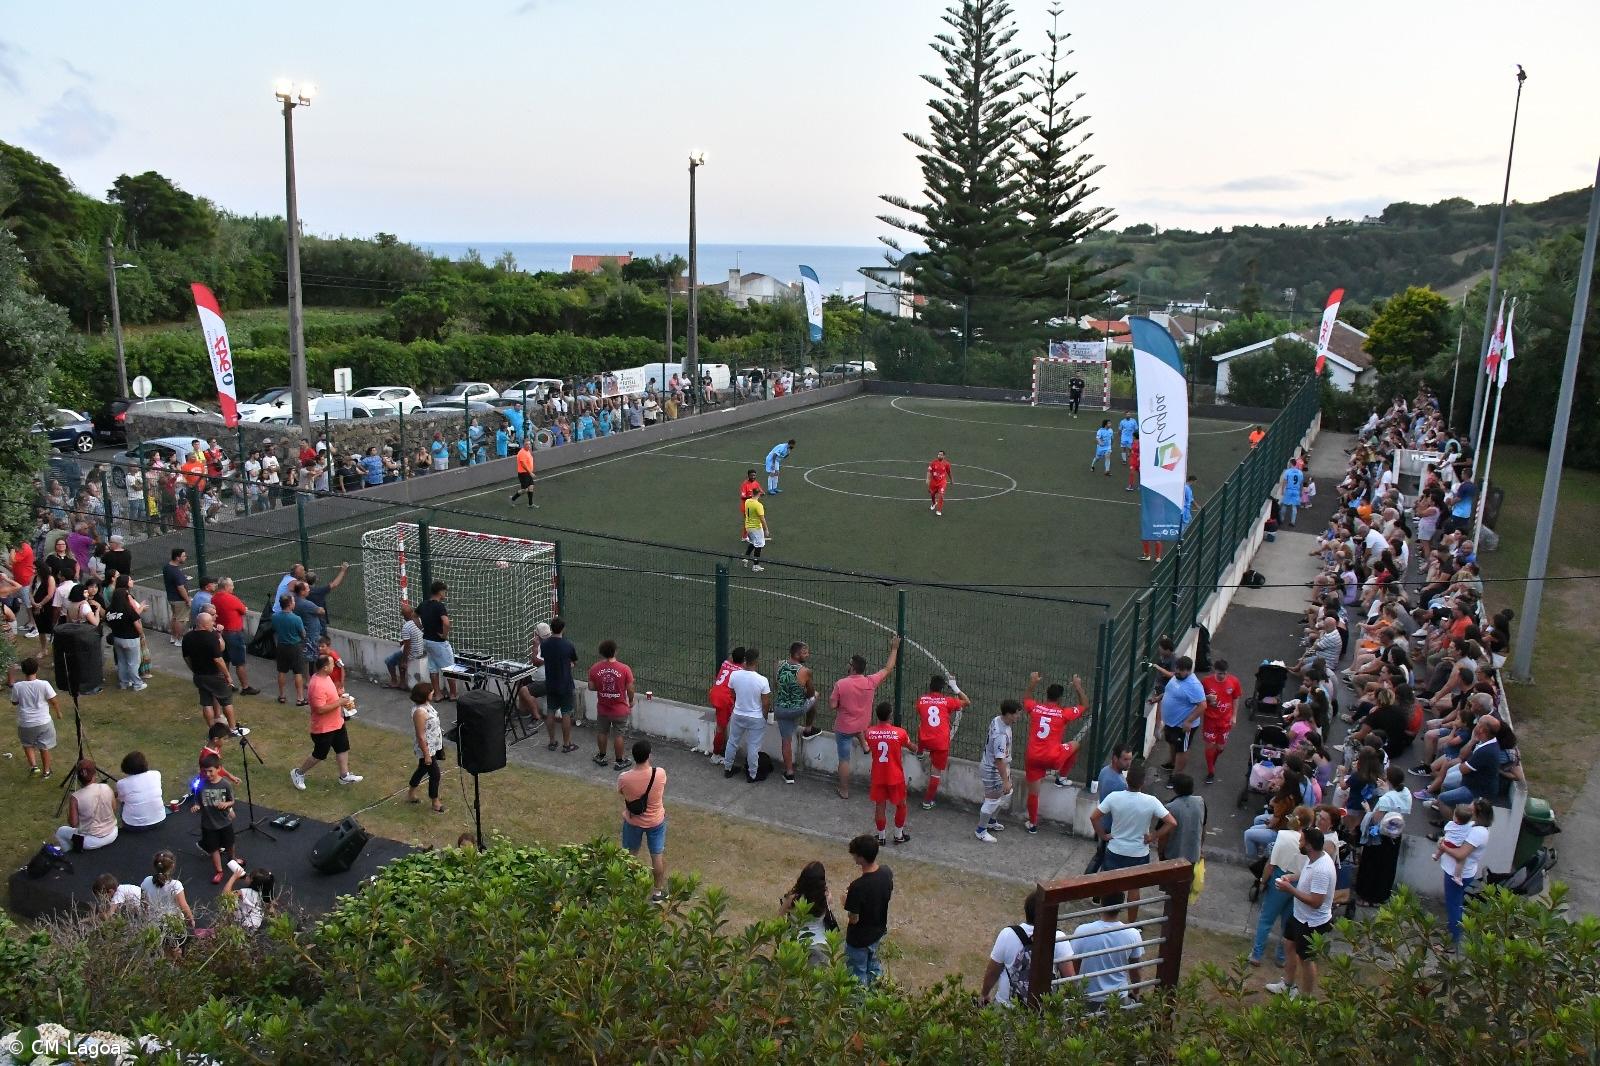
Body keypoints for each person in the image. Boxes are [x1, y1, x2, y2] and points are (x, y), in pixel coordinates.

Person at [1090, 763, 1175, 920]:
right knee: (1134, 890)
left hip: (1115, 849)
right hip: (1139, 853)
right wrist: (1153, 836)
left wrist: (1103, 835)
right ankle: (1132, 923)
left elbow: (1094, 817)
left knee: (1109, 886)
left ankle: (1107, 920)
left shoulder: (1114, 797)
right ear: (1143, 782)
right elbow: (1171, 822)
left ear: (1126, 780)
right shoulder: (1151, 801)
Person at [1267, 825, 1337, 998]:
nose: (1299, 842)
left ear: (1309, 846)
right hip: (1299, 915)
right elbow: (1304, 874)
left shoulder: (1322, 869)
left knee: (1306, 959)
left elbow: (1316, 902)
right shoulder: (1313, 857)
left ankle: (1305, 997)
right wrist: (1292, 877)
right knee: (1289, 946)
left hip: (1312, 922)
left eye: (1301, 840)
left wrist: (1289, 889)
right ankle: (1287, 984)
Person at [830, 637, 900, 800]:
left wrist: (841, 702)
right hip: (862, 724)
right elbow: (888, 668)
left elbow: (832, 706)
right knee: (859, 729)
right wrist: (894, 649)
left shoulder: (841, 684)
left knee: (844, 759)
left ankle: (844, 790)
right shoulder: (870, 681)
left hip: (845, 728)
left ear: (852, 667)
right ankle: (864, 744)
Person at [979, 889, 1074, 1006]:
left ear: (1026, 911)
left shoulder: (1008, 934)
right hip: (1042, 1009)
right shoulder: (1059, 938)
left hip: (1008, 1006)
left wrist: (985, 993)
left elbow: (992, 972)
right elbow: (1070, 980)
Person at [1020, 672, 1089, 832]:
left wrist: (1033, 682)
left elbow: (1026, 700)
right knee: (1075, 745)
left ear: (1047, 696)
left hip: (1033, 757)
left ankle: (1033, 825)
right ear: (1060, 699)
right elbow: (1085, 705)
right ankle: (1062, 777)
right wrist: (1078, 686)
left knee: (1034, 793)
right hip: (1053, 757)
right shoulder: (1063, 713)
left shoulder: (1036, 708)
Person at [289, 654, 363, 790]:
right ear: (325, 667)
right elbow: (320, 709)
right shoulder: (317, 685)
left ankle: (344, 775)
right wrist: (339, 702)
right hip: (324, 728)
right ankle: (298, 773)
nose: (333, 666)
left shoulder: (326, 678)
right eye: (331, 664)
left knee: (342, 747)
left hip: (337, 723)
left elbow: (329, 698)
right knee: (319, 755)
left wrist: (339, 695)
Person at [1069, 893, 1145, 1005]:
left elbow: (1074, 968)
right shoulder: (1133, 934)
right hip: (1118, 998)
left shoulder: (1082, 931)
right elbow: (1135, 971)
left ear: (1101, 902)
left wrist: (1074, 994)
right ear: (1122, 905)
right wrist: (1135, 994)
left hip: (1087, 997)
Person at [1437, 796, 1493, 948]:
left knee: (1453, 905)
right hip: (1460, 870)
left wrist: (1443, 847)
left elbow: (1461, 854)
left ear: (1478, 814)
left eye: (1470, 809)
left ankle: (1451, 942)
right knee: (1456, 903)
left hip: (1458, 873)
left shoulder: (1478, 833)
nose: (1467, 811)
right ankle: (1452, 930)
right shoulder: (1475, 826)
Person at [619, 738, 669, 904]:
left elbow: (622, 793)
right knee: (656, 855)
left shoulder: (624, 778)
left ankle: (627, 887)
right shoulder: (659, 773)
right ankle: (657, 891)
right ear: (649, 755)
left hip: (633, 822)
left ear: (633, 756)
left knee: (630, 854)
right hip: (656, 822)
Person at [843, 833, 893, 984]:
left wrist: (846, 901)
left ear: (861, 858)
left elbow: (854, 918)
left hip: (859, 939)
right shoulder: (886, 872)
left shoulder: (858, 886)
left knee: (857, 977)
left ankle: (859, 1006)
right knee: (874, 969)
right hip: (878, 932)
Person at [914, 674, 968, 809]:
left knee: (921, 727)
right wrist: (955, 687)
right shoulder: (947, 701)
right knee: (935, 772)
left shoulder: (921, 700)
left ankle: (920, 752)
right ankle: (927, 802)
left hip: (925, 740)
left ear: (929, 686)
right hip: (940, 743)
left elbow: (921, 714)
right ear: (942, 689)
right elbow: (967, 701)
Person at [183, 611, 239, 733]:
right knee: (226, 701)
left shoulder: (187, 637)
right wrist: (227, 675)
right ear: (204, 624)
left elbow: (186, 658)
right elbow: (218, 659)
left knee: (206, 702)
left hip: (199, 675)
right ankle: (233, 728)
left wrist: (194, 669)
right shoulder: (211, 638)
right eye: (211, 622)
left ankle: (212, 730)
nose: (213, 624)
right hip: (215, 675)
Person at [864, 701, 911, 846]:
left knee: (880, 806)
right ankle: (898, 835)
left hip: (878, 776)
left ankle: (881, 837)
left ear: (877, 716)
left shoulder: (870, 732)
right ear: (890, 716)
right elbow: (911, 746)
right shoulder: (900, 733)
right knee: (901, 805)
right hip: (895, 776)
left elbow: (868, 746)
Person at [724, 647, 772, 782]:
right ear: (757, 661)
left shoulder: (734, 675)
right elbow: (766, 702)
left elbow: (732, 693)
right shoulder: (762, 680)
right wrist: (765, 716)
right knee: (753, 746)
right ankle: (752, 774)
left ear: (745, 660)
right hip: (756, 717)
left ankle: (727, 768)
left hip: (738, 714)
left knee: (732, 741)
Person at [771, 641, 816, 783]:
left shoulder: (778, 664)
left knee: (786, 741)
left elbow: (777, 684)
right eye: (805, 652)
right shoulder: (805, 671)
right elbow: (810, 694)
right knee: (816, 696)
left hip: (780, 709)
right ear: (796, 654)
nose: (808, 655)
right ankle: (808, 728)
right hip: (797, 710)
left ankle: (789, 773)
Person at [588, 640, 636, 770]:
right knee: (619, 735)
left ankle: (601, 756)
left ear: (601, 653)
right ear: (615, 651)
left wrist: (603, 689)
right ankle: (619, 761)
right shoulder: (625, 669)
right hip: (620, 709)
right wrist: (631, 700)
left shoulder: (595, 668)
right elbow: (630, 688)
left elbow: (591, 687)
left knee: (602, 732)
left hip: (603, 709)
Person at [1085, 745, 1135, 873]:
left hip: (1103, 822)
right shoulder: (1120, 784)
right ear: (1115, 758)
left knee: (1099, 856)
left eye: (1130, 759)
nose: (1128, 763)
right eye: (1125, 759)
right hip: (1111, 828)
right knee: (1107, 863)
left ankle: (1085, 882)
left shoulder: (1105, 771)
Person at [976, 700, 1020, 843]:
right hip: (992, 771)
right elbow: (998, 760)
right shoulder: (1001, 735)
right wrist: (1005, 780)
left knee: (1007, 793)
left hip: (999, 767)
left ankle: (991, 821)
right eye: (1017, 714)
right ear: (1008, 714)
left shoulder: (997, 720)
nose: (1019, 717)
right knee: (991, 801)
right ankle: (981, 831)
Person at [1155, 656, 1206, 778]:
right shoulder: (1177, 677)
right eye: (1177, 668)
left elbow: (1203, 705)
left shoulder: (1194, 685)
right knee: (1172, 743)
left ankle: (1177, 775)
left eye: (1180, 670)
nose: (1177, 671)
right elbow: (1170, 691)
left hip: (1182, 725)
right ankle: (1172, 764)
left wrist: (1188, 721)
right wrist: (1159, 697)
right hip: (1171, 722)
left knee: (1182, 749)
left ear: (1188, 671)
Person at [10, 655, 60, 778]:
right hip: (43, 722)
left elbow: (14, 702)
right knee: (44, 746)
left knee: (27, 744)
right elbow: (53, 700)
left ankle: (34, 766)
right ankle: (46, 771)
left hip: (25, 722)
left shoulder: (18, 686)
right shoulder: (44, 684)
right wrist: (58, 712)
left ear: (23, 671)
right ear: (36, 669)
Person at [781, 861, 839, 965]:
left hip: (796, 943)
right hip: (820, 945)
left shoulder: (793, 898)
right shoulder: (826, 897)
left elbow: (779, 918)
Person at [192, 753, 238, 884]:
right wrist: (196, 806)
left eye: (210, 771)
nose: (208, 774)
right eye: (205, 772)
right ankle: (219, 871)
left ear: (219, 769)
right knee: (213, 848)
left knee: (230, 843)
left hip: (224, 822)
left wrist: (226, 804)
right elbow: (197, 801)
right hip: (208, 824)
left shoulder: (225, 784)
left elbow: (232, 801)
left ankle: (232, 859)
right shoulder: (201, 785)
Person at [55, 758, 118, 852]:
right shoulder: (106, 787)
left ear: (78, 778)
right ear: (94, 774)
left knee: (61, 832)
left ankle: (71, 856)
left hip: (89, 842)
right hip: (113, 833)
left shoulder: (75, 797)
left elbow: (73, 823)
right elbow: (114, 809)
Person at [1199, 658, 1243, 784]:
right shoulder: (1206, 682)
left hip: (1225, 720)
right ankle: (1211, 771)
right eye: (1219, 673)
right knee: (1210, 745)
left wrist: (1234, 716)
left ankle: (1212, 759)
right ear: (1214, 671)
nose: (1222, 676)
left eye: (1224, 673)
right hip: (1210, 720)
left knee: (1220, 747)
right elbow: (1199, 697)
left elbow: (1236, 698)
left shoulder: (1234, 681)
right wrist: (1208, 698)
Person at [210, 577, 257, 695]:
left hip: (221, 633)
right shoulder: (231, 598)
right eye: (231, 585)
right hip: (234, 633)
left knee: (225, 659)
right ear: (226, 587)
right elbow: (243, 610)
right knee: (239, 662)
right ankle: (245, 687)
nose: (233, 587)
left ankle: (226, 684)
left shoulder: (214, 598)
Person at [540, 617, 580, 753]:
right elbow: (574, 661)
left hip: (551, 683)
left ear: (551, 628)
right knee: (566, 713)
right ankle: (567, 744)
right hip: (565, 684)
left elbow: (546, 658)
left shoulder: (545, 645)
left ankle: (552, 742)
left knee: (550, 711)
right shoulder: (568, 645)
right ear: (563, 629)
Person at [406, 681, 446, 813]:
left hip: (433, 745)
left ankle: (411, 794)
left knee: (421, 770)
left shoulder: (426, 705)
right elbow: (421, 735)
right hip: (426, 748)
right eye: (431, 692)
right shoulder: (420, 712)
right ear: (425, 695)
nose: (433, 693)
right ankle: (435, 802)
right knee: (435, 775)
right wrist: (427, 754)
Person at [418, 581, 458, 702]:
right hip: (439, 643)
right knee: (450, 668)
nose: (445, 594)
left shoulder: (424, 604)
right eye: (444, 591)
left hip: (427, 640)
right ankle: (453, 694)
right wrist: (444, 635)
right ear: (440, 592)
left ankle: (437, 694)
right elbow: (446, 623)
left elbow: (414, 615)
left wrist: (420, 627)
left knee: (433, 668)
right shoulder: (439, 606)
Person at [705, 646, 745, 764]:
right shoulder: (741, 672)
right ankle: (715, 755)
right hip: (724, 699)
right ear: (743, 660)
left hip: (715, 693)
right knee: (720, 728)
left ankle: (724, 747)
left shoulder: (725, 663)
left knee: (723, 725)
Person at [141, 850, 196, 935]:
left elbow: (143, 904)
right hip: (172, 924)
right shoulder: (175, 885)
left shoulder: (146, 881)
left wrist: (145, 920)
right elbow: (183, 906)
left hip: (153, 924)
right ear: (172, 866)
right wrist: (190, 920)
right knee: (175, 947)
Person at [270, 592, 308, 706]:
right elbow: (303, 634)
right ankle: (300, 698)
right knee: (298, 672)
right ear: (290, 604)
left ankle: (282, 695)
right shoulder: (296, 619)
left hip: (281, 646)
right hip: (294, 647)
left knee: (281, 671)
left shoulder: (275, 616)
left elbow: (274, 629)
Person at [115, 750, 165, 832]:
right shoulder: (156, 774)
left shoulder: (122, 783)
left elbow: (121, 800)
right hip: (160, 819)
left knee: (124, 803)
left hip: (134, 826)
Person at [1163, 773, 1206, 865]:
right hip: (1193, 856)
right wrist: (1199, 849)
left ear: (1175, 789)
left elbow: (1164, 836)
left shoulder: (1169, 807)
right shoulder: (1200, 802)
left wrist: (1161, 855)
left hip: (1173, 857)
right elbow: (1203, 828)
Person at [386, 601, 429, 690]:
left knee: (389, 661)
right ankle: (402, 683)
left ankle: (394, 681)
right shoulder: (419, 620)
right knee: (399, 659)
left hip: (413, 652)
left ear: (405, 616)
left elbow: (407, 646)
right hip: (421, 649)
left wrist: (404, 661)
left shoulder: (406, 627)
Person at [221, 863, 275, 931]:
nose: (246, 876)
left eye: (249, 876)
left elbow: (225, 894)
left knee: (228, 905)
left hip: (243, 926)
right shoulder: (267, 892)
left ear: (252, 881)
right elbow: (271, 909)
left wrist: (233, 877)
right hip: (254, 925)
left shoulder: (245, 892)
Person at [163, 547, 190, 644]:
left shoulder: (167, 567)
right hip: (179, 600)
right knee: (181, 619)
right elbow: (180, 588)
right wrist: (187, 599)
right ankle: (179, 639)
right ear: (178, 558)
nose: (185, 557)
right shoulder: (176, 572)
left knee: (175, 617)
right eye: (183, 556)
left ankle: (173, 637)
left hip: (171, 597)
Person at [741, 485, 769, 572]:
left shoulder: (747, 501)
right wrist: (766, 529)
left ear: (752, 493)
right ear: (759, 494)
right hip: (756, 528)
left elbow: (751, 497)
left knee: (753, 542)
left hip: (748, 527)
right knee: (759, 545)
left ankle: (745, 558)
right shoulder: (758, 505)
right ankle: (755, 566)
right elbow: (762, 518)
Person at [510, 438, 538, 507]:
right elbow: (523, 464)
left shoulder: (528, 451)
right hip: (523, 474)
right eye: (526, 444)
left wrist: (530, 472)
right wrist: (530, 473)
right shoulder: (522, 453)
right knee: (525, 490)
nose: (528, 446)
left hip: (528, 473)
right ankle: (513, 498)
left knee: (531, 487)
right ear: (523, 445)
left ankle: (530, 504)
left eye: (529, 444)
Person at [738, 469, 762, 542]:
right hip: (746, 506)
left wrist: (761, 493)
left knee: (753, 520)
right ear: (748, 476)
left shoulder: (756, 483)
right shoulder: (745, 484)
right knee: (748, 521)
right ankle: (745, 536)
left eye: (754, 475)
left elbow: (760, 491)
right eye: (751, 475)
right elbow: (742, 497)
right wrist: (752, 496)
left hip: (754, 506)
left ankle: (748, 535)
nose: (753, 477)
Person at [927, 450, 953, 516]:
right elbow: (929, 471)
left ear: (944, 456)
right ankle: (933, 503)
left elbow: (949, 472)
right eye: (938, 454)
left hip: (942, 482)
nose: (939, 455)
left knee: (941, 495)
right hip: (934, 482)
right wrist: (928, 479)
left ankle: (939, 510)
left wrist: (951, 479)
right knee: (932, 494)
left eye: (941, 455)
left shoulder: (947, 464)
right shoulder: (933, 463)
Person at [1280, 460, 1305, 527]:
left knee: (1284, 505)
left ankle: (1281, 519)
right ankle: (1293, 522)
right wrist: (1301, 491)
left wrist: (1282, 490)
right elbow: (1301, 483)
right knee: (1294, 506)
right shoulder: (1300, 472)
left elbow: (1285, 481)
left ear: (1291, 464)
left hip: (1289, 490)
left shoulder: (1287, 471)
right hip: (1296, 491)